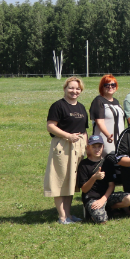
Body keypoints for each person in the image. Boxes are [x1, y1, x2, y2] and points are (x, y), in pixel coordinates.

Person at [44, 76, 88, 224]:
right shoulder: (58, 106)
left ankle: (69, 215)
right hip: (63, 145)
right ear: (65, 89)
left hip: (79, 146)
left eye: (77, 88)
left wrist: (86, 147)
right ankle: (62, 217)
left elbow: (84, 130)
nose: (74, 91)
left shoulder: (81, 107)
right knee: (60, 180)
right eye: (71, 88)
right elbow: (50, 126)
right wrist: (68, 136)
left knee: (71, 181)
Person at [76, 135, 130, 223]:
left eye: (99, 146)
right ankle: (98, 212)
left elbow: (111, 185)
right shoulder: (84, 165)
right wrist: (94, 177)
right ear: (88, 148)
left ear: (103, 147)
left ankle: (107, 208)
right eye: (94, 147)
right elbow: (84, 189)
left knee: (129, 198)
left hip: (106, 196)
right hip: (92, 198)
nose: (97, 149)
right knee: (101, 220)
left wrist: (103, 199)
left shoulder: (107, 162)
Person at [90, 75, 124, 156]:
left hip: (118, 139)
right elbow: (99, 122)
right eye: (106, 85)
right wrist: (108, 135)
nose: (110, 87)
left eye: (113, 85)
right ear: (102, 87)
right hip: (106, 139)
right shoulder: (98, 101)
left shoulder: (116, 101)